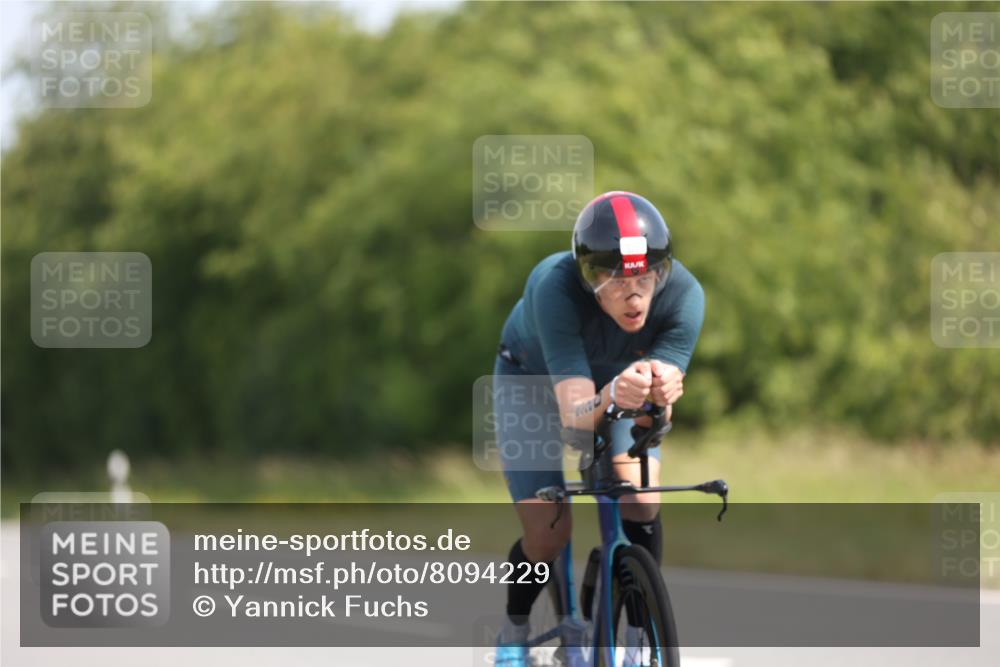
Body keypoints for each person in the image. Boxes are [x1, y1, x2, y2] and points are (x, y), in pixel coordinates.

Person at [491, 191, 705, 666]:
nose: (634, 295)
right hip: (533, 381)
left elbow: (653, 422)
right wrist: (611, 396)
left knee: (642, 499)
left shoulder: (686, 297)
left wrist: (662, 396)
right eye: (616, 279)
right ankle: (515, 629)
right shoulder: (555, 287)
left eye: (646, 277)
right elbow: (574, 415)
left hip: (614, 383)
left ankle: (636, 628)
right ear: (589, 279)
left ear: (662, 271)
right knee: (548, 532)